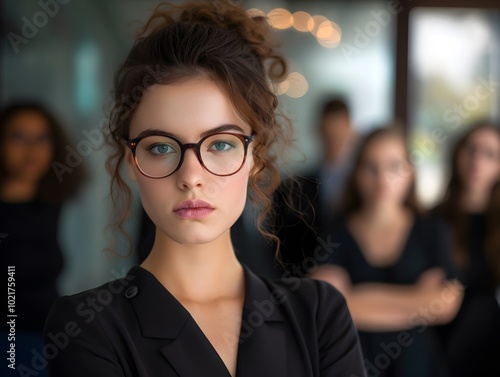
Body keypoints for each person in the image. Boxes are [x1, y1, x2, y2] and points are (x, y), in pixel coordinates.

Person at [43, 2, 366, 376]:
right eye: (161, 147)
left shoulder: (319, 315)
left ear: (255, 157)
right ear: (132, 161)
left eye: (221, 144)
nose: (191, 176)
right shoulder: (88, 326)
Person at [311, 127, 463, 377]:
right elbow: (327, 307)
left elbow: (445, 304)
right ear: (357, 174)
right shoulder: (335, 231)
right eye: (371, 167)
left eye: (394, 166)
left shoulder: (432, 230)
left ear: (410, 173)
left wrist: (357, 298)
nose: (382, 179)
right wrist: (417, 303)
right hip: (355, 367)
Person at [0, 103, 85, 376]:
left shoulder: (50, 203)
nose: (32, 150)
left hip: (51, 338)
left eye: (42, 138)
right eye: (18, 137)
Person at [433, 122, 500, 377]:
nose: (477, 161)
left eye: (490, 154)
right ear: (457, 154)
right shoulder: (432, 220)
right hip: (438, 338)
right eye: (471, 149)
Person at [273, 97, 358, 271]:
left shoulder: (364, 185)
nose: (334, 141)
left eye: (338, 135)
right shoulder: (292, 189)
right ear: (319, 130)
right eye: (330, 135)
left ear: (350, 131)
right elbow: (280, 248)